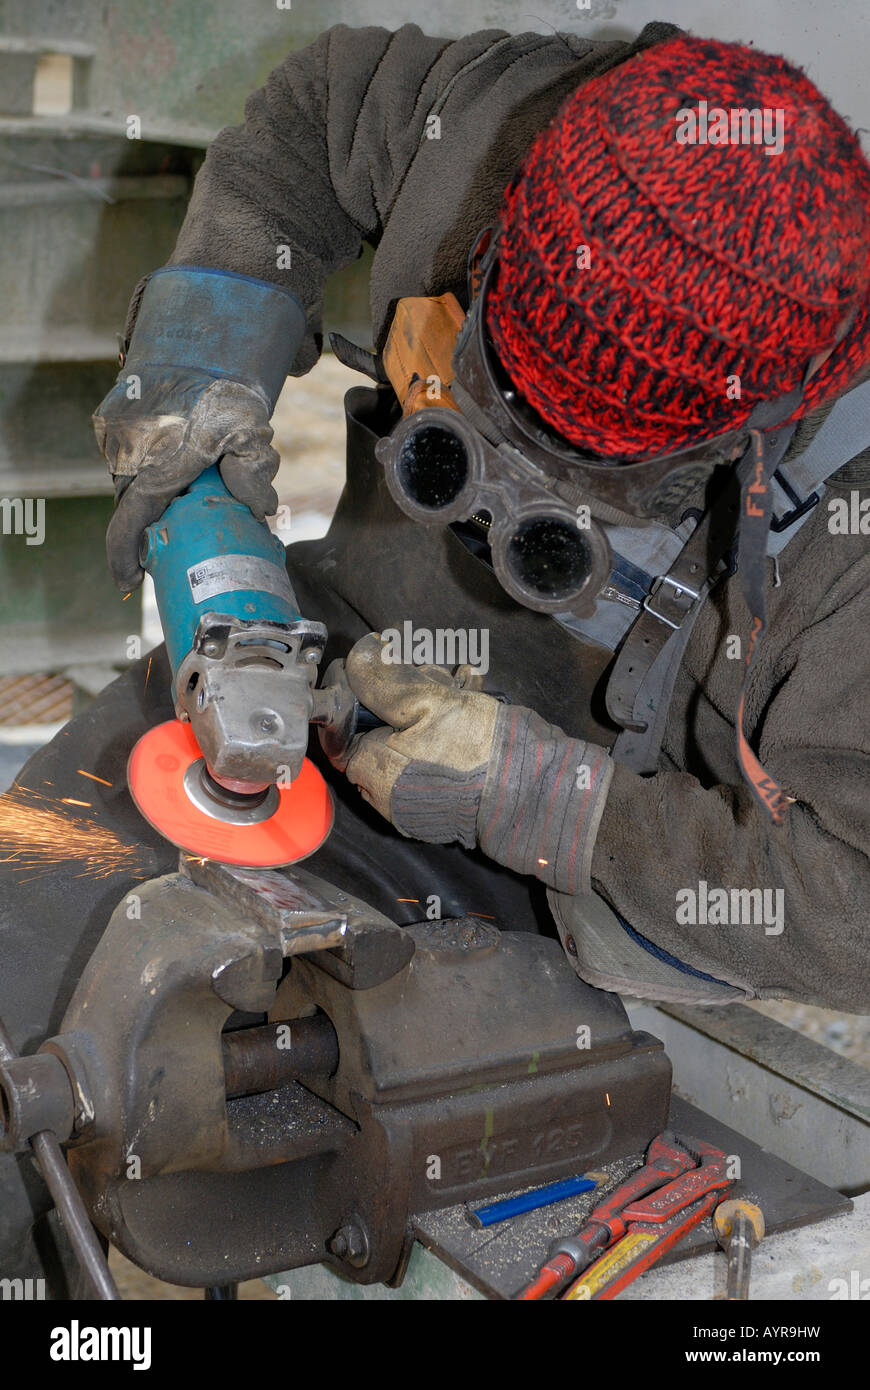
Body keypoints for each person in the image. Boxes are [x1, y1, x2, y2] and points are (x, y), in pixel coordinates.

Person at [2, 21, 869, 1294]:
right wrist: (204, 359)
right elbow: (302, 128)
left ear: (752, 432)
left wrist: (540, 800)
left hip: (577, 899)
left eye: (575, 475)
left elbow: (850, 901)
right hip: (304, 678)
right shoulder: (501, 119)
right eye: (491, 400)